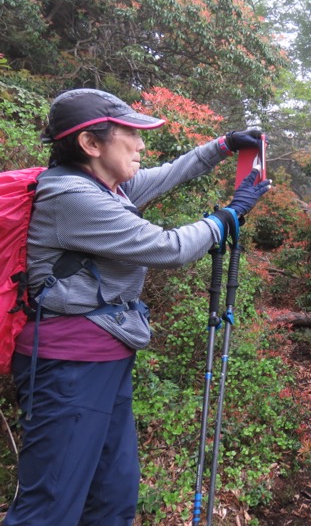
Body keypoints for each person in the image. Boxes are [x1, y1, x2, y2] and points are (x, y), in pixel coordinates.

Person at [2, 88, 271, 526]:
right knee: (50, 506)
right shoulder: (72, 197)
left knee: (112, 497)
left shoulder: (107, 185)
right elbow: (170, 248)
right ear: (91, 144)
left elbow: (169, 175)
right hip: (68, 367)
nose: (142, 145)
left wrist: (223, 146)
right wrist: (229, 216)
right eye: (131, 134)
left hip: (107, 357)